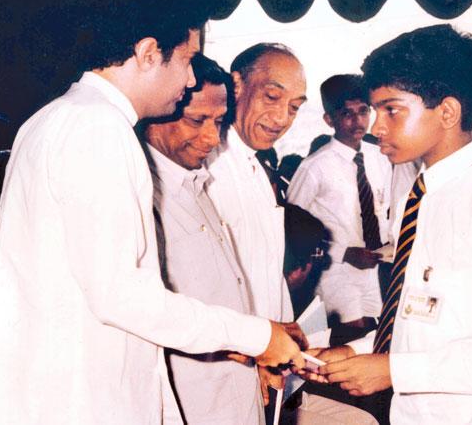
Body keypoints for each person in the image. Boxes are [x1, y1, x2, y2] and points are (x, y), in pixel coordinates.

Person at [0, 0, 303, 424]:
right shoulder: (99, 127)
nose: (190, 81)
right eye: (185, 60)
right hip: (78, 400)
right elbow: (120, 295)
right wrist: (255, 335)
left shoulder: (57, 117)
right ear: (146, 53)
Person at [303, 24, 472, 424]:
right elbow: (420, 324)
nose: (376, 127)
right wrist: (356, 353)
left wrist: (391, 371)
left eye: (391, 109)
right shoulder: (419, 197)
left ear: (448, 112)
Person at [142, 53, 276, 424]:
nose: (211, 138)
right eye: (196, 120)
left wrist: (262, 344)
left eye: (218, 122)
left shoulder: (198, 183)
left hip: (237, 392)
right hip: (191, 401)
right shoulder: (142, 195)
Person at [205, 42, 308, 411]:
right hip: (234, 366)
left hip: (270, 361)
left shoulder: (257, 168)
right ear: (236, 86)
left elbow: (264, 268)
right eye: (272, 97)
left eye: (294, 107)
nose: (282, 117)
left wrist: (284, 329)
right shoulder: (208, 165)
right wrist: (255, 352)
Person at [288, 74, 391, 341]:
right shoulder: (314, 166)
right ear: (329, 120)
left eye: (363, 111)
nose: (358, 121)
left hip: (375, 269)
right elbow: (291, 226)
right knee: (349, 335)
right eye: (347, 113)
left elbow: (384, 210)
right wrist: (343, 253)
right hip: (334, 270)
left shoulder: (379, 158)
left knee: (376, 336)